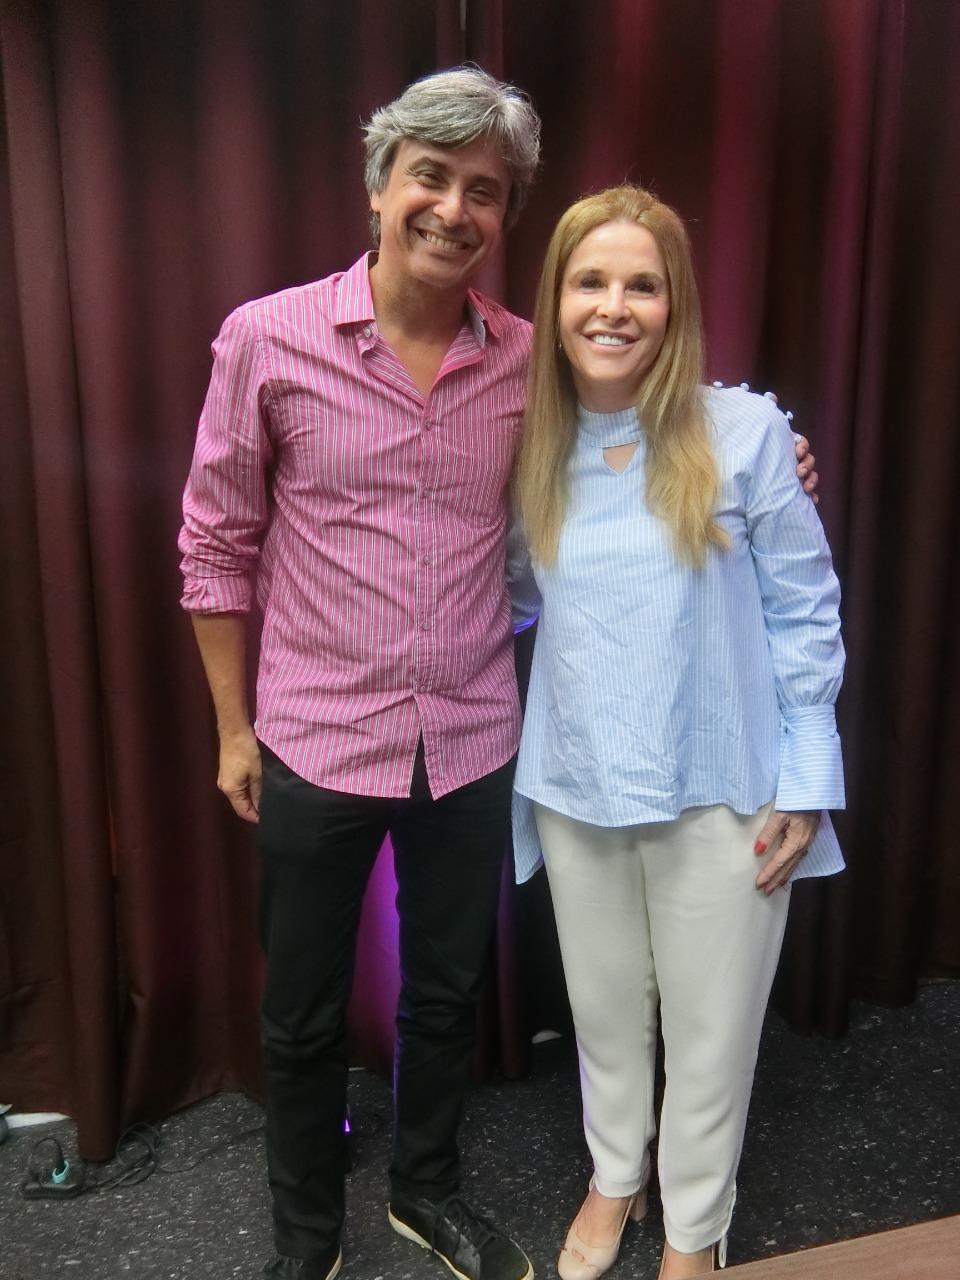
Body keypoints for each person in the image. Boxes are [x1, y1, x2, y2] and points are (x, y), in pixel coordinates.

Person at [179, 65, 818, 1280]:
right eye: (432, 176)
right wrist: (230, 728)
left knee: (444, 992)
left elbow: (659, 411)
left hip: (474, 738)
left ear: (503, 217)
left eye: (484, 190)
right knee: (302, 1009)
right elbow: (214, 543)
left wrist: (772, 445)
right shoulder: (268, 338)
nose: (454, 208)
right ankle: (305, 1237)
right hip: (315, 734)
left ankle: (426, 1190)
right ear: (379, 186)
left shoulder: (531, 364)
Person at [511, 186, 845, 1279]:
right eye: (590, 281)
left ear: (676, 304)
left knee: (713, 1033)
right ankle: (617, 1175)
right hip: (576, 786)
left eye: (641, 285)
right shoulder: (527, 447)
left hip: (726, 788)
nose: (614, 306)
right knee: (606, 1016)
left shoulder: (744, 432)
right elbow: (508, 595)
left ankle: (695, 1226)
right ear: (556, 300)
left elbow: (805, 610)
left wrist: (809, 778)